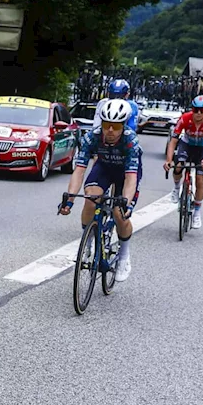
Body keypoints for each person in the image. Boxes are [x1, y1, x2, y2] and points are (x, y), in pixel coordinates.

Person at [59, 99, 142, 282]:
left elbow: (130, 178)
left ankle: (123, 257)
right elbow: (79, 170)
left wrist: (126, 203)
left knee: (120, 214)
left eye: (115, 126)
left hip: (125, 173)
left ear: (124, 125)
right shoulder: (92, 137)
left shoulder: (130, 140)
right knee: (90, 199)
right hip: (104, 167)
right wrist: (70, 199)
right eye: (106, 124)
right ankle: (87, 243)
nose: (110, 130)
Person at [164, 95, 203, 230]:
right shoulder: (184, 118)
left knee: (200, 180)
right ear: (192, 109)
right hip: (187, 145)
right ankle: (177, 188)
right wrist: (169, 160)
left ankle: (197, 212)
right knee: (178, 166)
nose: (199, 113)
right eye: (196, 109)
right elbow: (173, 141)